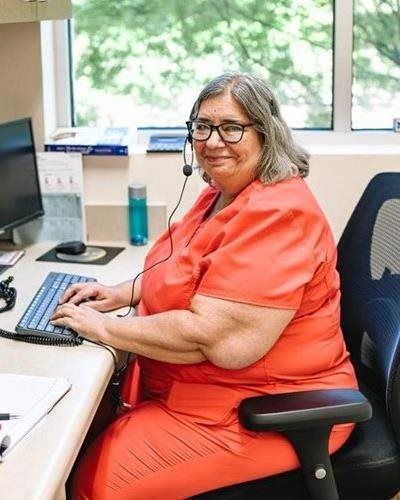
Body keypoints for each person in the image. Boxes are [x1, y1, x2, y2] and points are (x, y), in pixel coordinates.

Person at [52, 73, 358, 499]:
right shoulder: (224, 192)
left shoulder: (278, 215)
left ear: (265, 133)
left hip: (268, 409)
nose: (213, 142)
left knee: (93, 483)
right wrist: (124, 293)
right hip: (207, 394)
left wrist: (103, 328)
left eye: (232, 127)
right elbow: (186, 268)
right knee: (73, 439)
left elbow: (218, 340)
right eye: (202, 126)